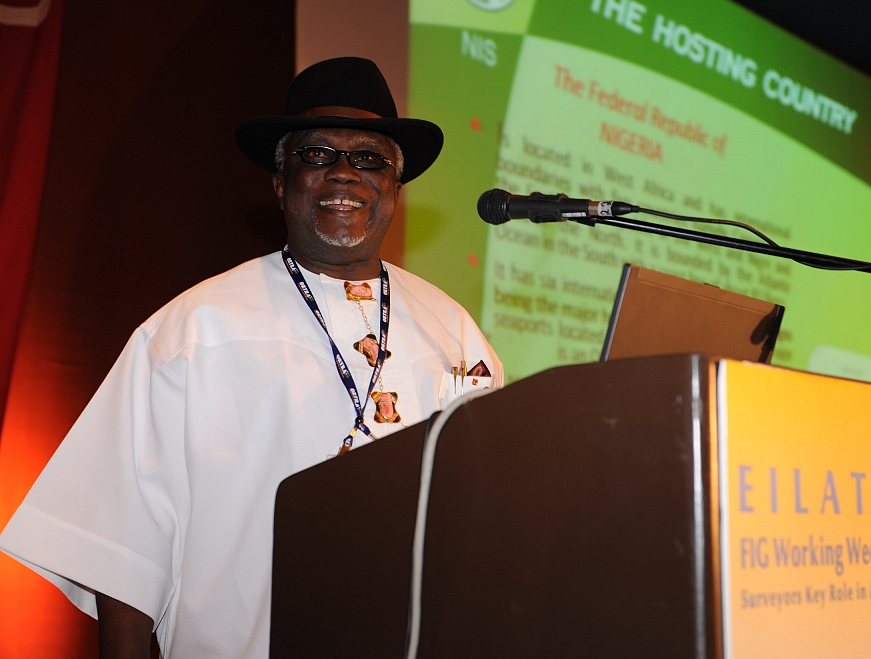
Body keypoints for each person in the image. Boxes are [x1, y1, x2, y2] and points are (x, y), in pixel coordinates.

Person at [0, 57, 502, 659]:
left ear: (395, 188)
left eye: (370, 159)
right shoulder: (192, 330)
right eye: (317, 154)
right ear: (281, 181)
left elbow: (493, 534)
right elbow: (121, 554)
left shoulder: (456, 334)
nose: (345, 173)